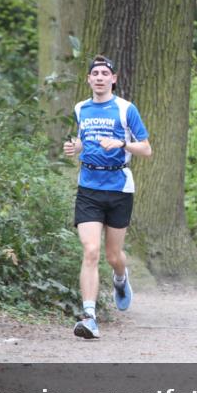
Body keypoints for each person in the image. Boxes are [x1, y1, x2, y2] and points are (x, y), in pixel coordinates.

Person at [62, 55, 152, 340]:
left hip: (118, 187)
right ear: (88, 79)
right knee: (90, 251)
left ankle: (120, 279)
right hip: (88, 186)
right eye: (95, 73)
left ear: (113, 79)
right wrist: (74, 147)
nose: (99, 77)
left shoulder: (126, 109)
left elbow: (146, 149)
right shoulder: (80, 108)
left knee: (113, 256)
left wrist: (122, 143)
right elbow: (81, 139)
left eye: (105, 73)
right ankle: (89, 317)